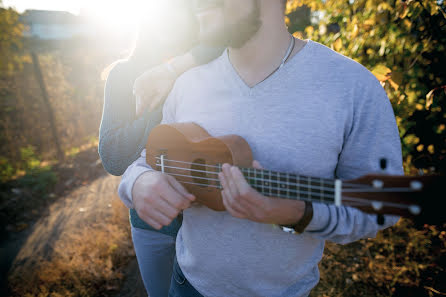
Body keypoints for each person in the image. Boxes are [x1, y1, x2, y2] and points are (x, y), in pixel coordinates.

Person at [118, 0, 404, 296]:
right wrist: (139, 182)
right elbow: (145, 162)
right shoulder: (187, 84)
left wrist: (296, 213)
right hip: (188, 286)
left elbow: (380, 206)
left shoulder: (353, 87)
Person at [98, 1, 223, 296]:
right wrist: (156, 106)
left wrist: (179, 68)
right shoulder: (124, 74)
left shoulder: (208, 65)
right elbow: (113, 157)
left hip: (209, 220)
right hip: (150, 222)